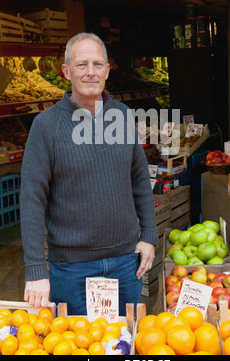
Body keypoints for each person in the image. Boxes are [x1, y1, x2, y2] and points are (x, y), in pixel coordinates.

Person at [20, 32, 158, 316]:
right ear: (66, 72)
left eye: (98, 64)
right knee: (77, 347)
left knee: (129, 343)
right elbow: (32, 199)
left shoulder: (122, 115)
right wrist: (36, 270)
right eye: (82, 65)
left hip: (125, 262)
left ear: (107, 70)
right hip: (72, 269)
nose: (91, 72)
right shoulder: (46, 126)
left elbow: (140, 181)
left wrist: (149, 235)